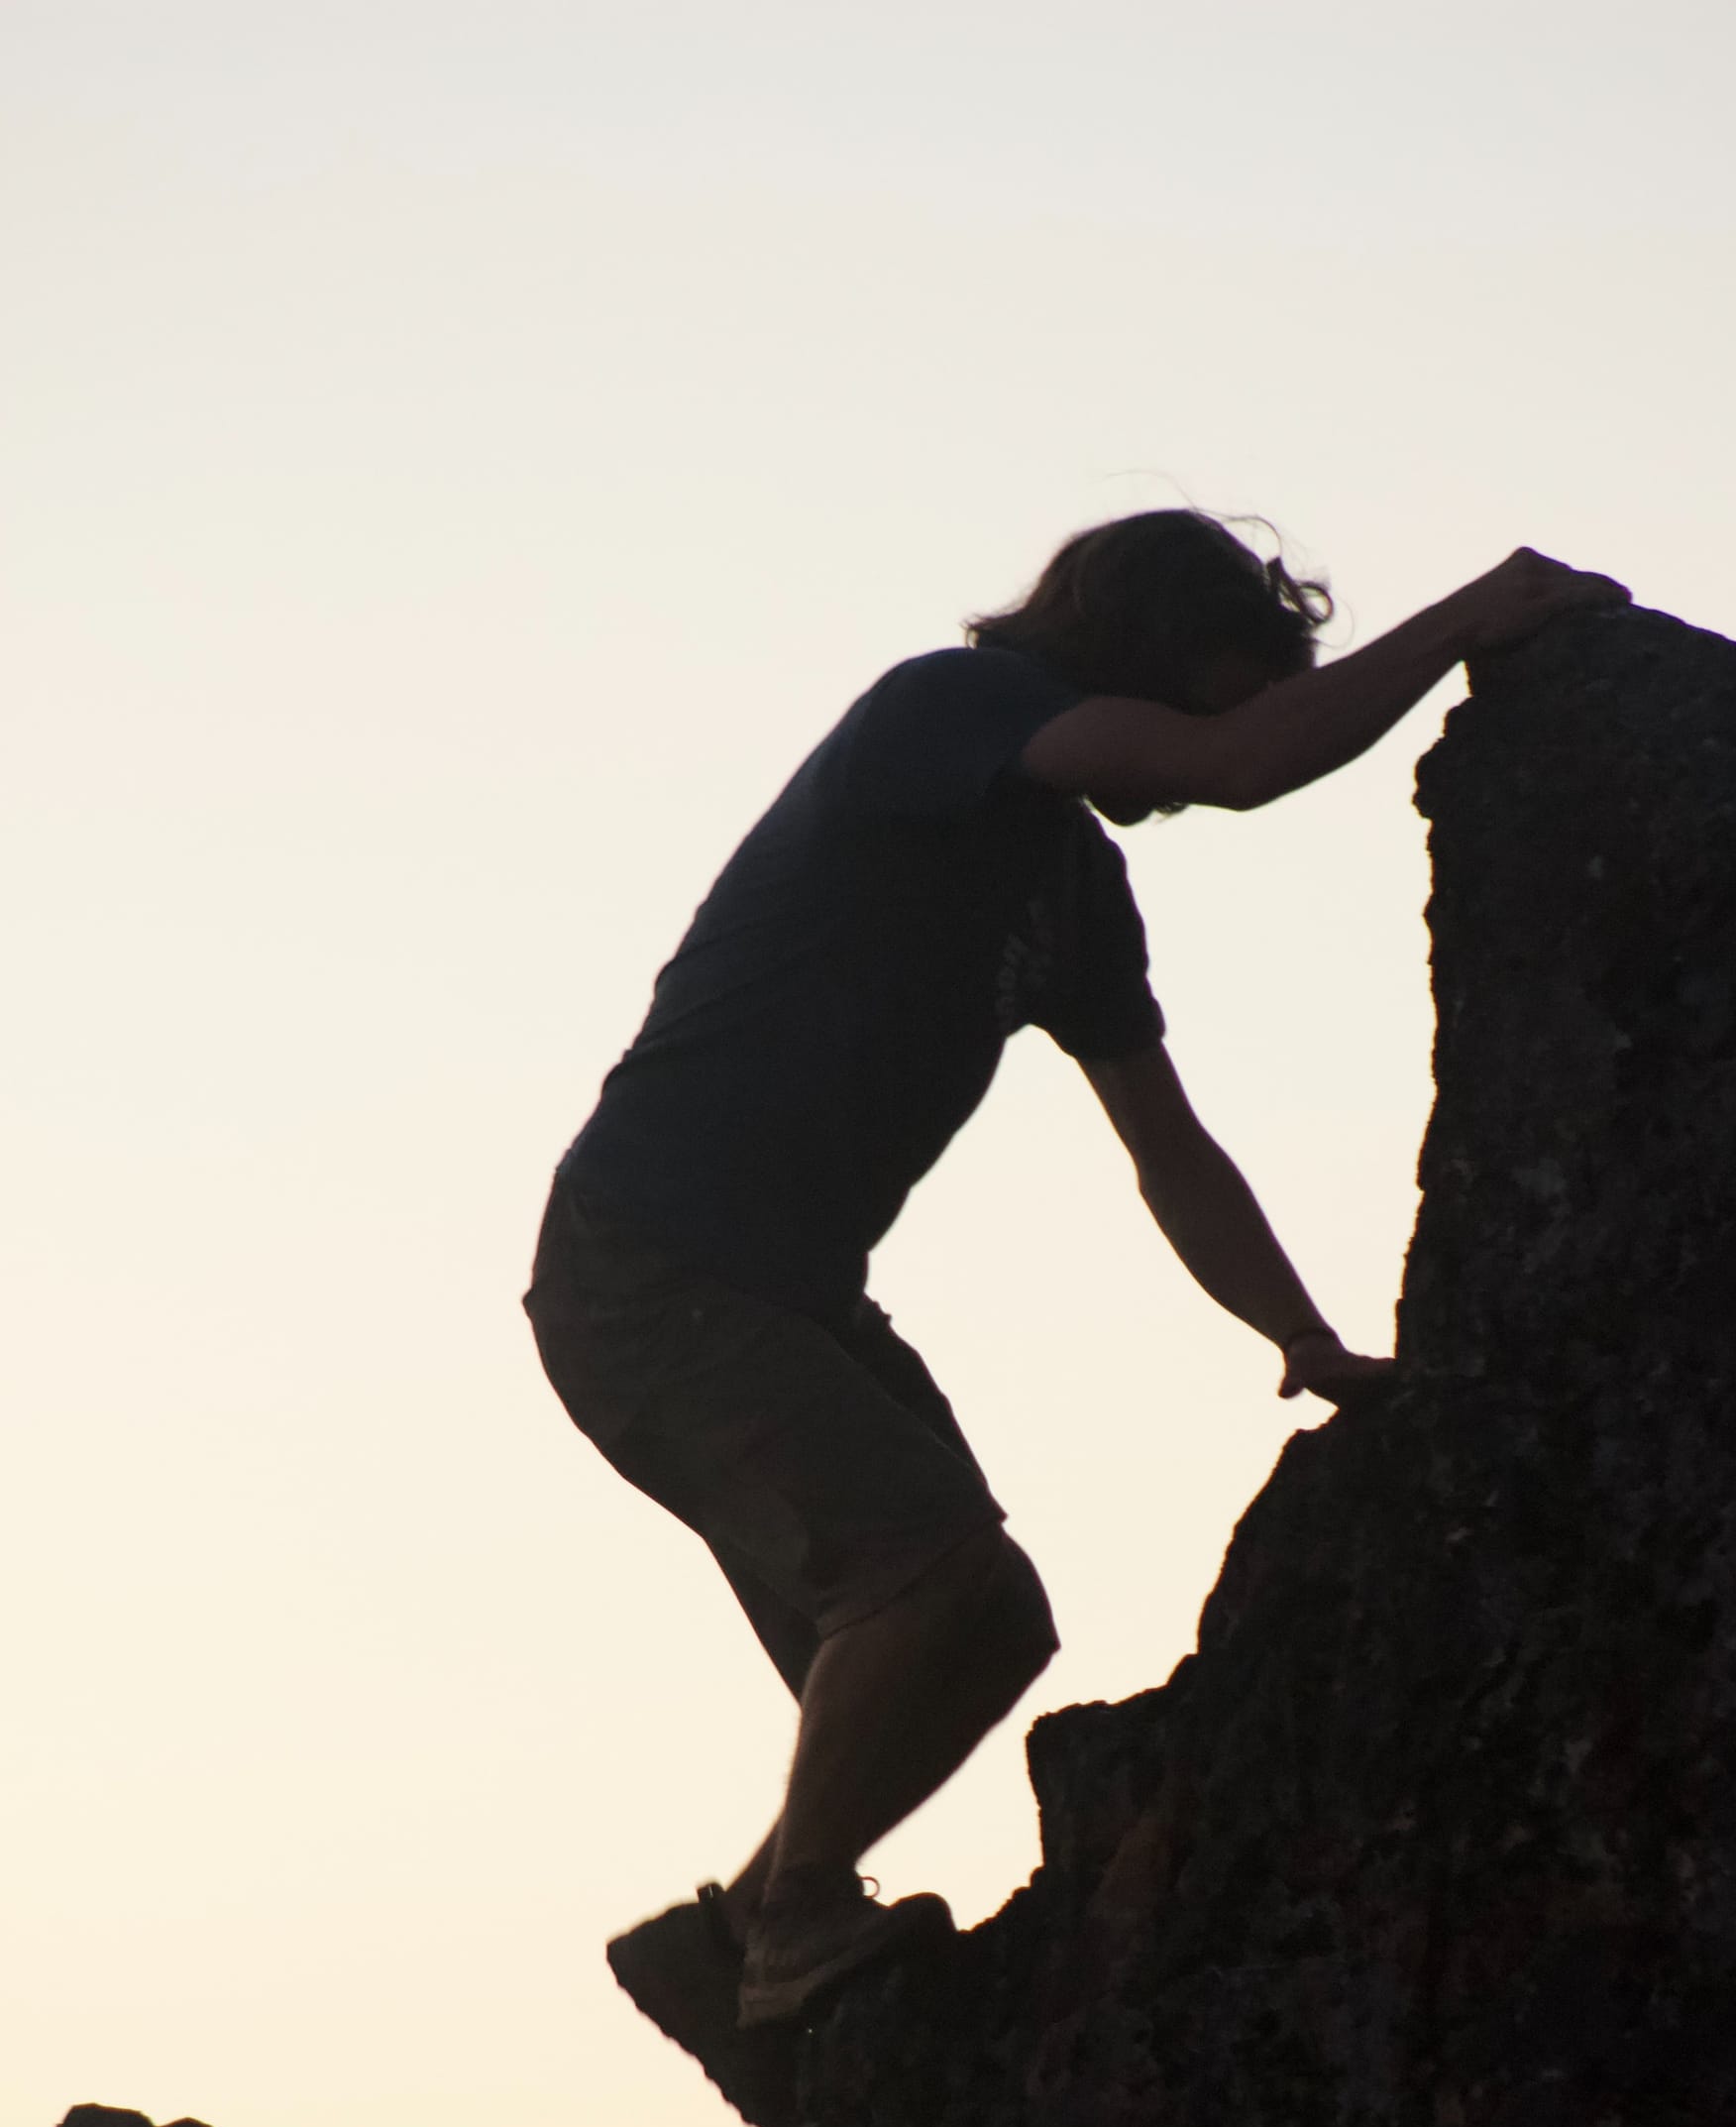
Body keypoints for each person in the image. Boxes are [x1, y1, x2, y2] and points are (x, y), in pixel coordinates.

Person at [526, 512, 1625, 2030]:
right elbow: (1246, 768)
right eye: (1218, 691)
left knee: (987, 1624)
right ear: (1146, 652)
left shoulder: (1070, 889)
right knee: (928, 1579)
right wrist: (1473, 616)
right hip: (647, 1265)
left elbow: (1170, 1151)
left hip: (783, 1292)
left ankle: (732, 1941)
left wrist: (1303, 1335)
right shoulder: (950, 712)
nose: (1222, 736)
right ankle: (789, 1928)